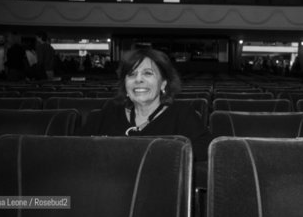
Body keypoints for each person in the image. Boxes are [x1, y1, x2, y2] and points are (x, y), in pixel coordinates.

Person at [80, 48, 212, 161]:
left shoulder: (182, 114)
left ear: (163, 83)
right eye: (131, 74)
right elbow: (77, 149)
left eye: (147, 73)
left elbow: (205, 149)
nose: (138, 79)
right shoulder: (109, 111)